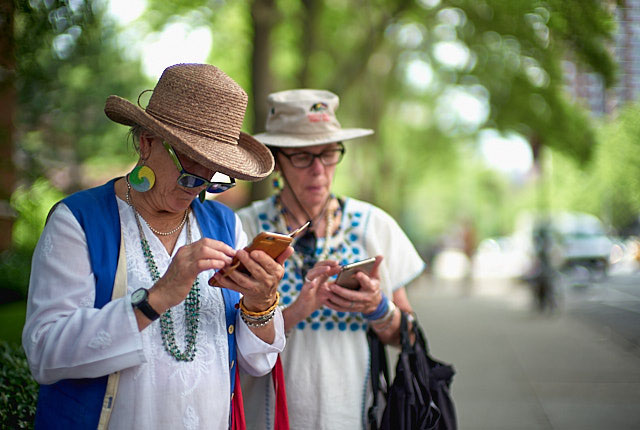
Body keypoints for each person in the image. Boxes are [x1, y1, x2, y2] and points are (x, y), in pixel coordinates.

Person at [22, 63, 293, 429]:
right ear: (147, 142)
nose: (198, 185)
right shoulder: (79, 221)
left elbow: (257, 361)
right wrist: (157, 297)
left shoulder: (225, 224)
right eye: (189, 165)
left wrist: (260, 303)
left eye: (213, 173)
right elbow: (44, 352)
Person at [238, 89, 426, 429]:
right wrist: (295, 312)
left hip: (354, 416)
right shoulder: (245, 228)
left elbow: (408, 337)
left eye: (328, 154)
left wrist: (377, 307)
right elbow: (225, 338)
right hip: (267, 417)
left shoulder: (375, 226)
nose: (319, 170)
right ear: (277, 159)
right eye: (302, 157)